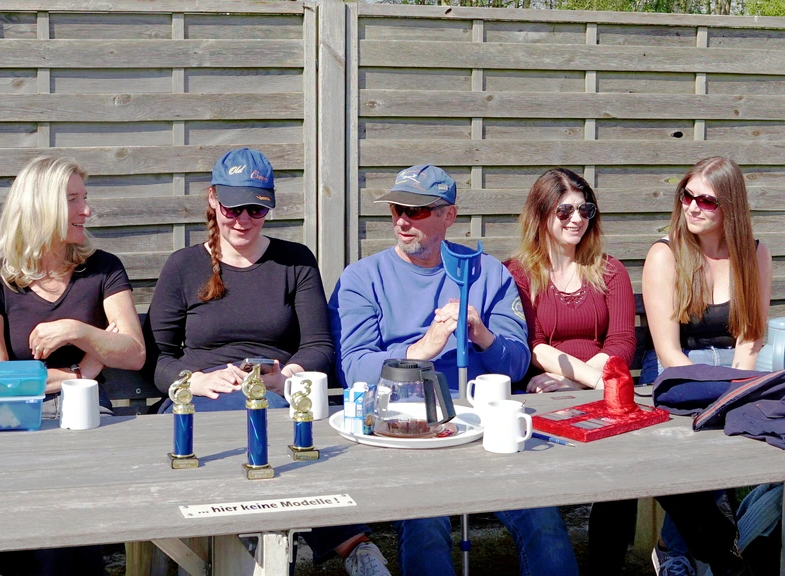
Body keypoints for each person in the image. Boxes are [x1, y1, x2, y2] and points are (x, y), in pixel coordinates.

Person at [145, 148, 391, 576]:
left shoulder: (294, 261)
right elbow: (157, 357)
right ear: (212, 200)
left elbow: (319, 345)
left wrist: (286, 376)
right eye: (232, 208)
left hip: (275, 395)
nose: (243, 220)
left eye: (256, 210)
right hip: (203, 401)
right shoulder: (184, 265)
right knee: (266, 430)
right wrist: (194, 381)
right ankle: (342, 544)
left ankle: (316, 547)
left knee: (289, 424)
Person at [330, 164, 578, 576]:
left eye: (417, 211)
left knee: (544, 522)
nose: (403, 221)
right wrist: (421, 350)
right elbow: (353, 369)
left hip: (483, 427)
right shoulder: (362, 278)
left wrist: (482, 334)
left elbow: (517, 362)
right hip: (407, 432)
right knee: (425, 527)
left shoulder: (486, 273)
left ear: (449, 215)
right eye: (396, 209)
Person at [0, 155, 146, 575]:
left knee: (74, 481)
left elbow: (133, 352)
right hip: (19, 416)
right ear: (40, 206)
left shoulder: (103, 268)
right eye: (73, 200)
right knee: (44, 490)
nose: (87, 210)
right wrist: (81, 371)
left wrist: (75, 330)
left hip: (84, 410)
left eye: (85, 198)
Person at [641, 156, 771, 576]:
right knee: (694, 446)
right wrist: (715, 398)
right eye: (687, 196)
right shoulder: (664, 255)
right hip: (678, 370)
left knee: (746, 435)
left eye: (707, 201)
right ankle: (715, 548)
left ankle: (674, 547)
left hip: (735, 369)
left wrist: (738, 388)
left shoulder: (754, 253)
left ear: (731, 207)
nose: (692, 207)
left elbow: (750, 337)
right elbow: (667, 351)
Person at [504, 168, 636, 576]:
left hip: (596, 392)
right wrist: (587, 381)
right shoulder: (518, 274)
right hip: (546, 397)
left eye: (585, 210)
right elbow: (534, 344)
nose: (576, 219)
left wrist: (576, 380)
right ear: (541, 214)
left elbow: (621, 343)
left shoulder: (610, 270)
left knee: (624, 475)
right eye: (564, 211)